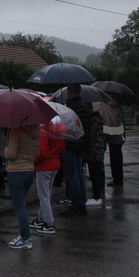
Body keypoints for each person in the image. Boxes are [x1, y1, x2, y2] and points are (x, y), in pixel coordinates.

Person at [4, 123, 40, 250]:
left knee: (20, 206)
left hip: (16, 171)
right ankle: (23, 235)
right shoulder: (36, 130)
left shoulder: (16, 131)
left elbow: (11, 154)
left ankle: (25, 238)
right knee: (22, 204)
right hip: (29, 170)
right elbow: (37, 152)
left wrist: (5, 150)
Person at [60, 84, 92, 217]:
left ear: (72, 92)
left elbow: (66, 127)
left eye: (68, 91)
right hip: (82, 144)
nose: (67, 94)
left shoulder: (70, 108)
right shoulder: (84, 107)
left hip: (71, 144)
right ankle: (81, 204)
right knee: (79, 174)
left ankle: (75, 205)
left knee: (72, 176)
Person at [30, 125, 65, 234]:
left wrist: (34, 161)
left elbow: (42, 152)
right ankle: (41, 218)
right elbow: (62, 147)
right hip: (55, 164)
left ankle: (49, 223)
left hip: (44, 166)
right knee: (46, 193)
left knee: (43, 195)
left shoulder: (44, 132)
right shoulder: (58, 131)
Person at [85, 108, 106, 206]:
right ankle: (98, 193)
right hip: (99, 149)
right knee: (97, 172)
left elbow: (91, 135)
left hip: (94, 150)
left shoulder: (93, 121)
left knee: (94, 173)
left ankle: (96, 196)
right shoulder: (99, 120)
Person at [106, 96, 126, 186]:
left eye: (111, 100)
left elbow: (112, 124)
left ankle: (117, 179)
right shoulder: (120, 110)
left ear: (115, 101)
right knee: (117, 159)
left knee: (115, 160)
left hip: (115, 138)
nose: (109, 102)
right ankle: (118, 178)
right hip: (118, 138)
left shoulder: (115, 111)